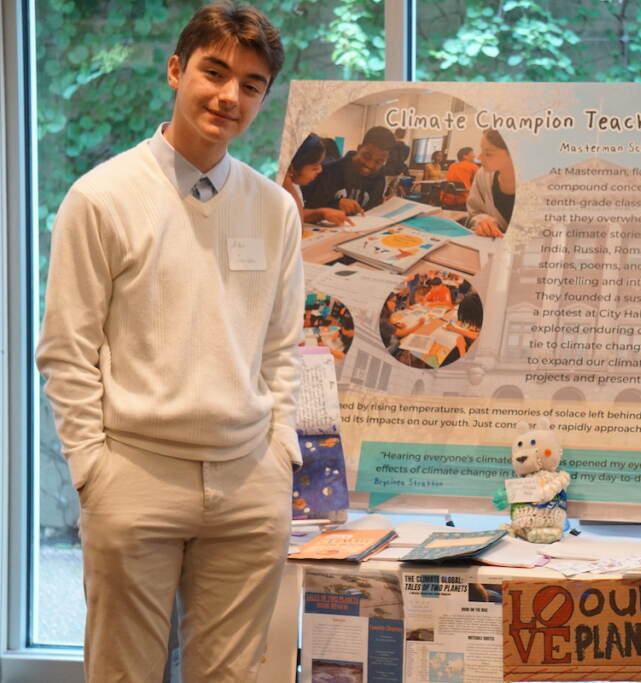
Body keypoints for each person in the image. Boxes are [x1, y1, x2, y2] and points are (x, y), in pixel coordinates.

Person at [36, 5, 304, 682]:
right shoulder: (101, 198)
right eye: (215, 72)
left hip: (248, 483)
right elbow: (67, 350)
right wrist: (94, 471)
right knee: (123, 672)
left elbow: (280, 347)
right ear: (176, 70)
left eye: (251, 84)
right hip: (136, 476)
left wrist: (280, 454)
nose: (229, 96)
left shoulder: (275, 208)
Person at [302, 125, 395, 214]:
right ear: (359, 148)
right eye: (366, 156)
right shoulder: (329, 171)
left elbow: (374, 210)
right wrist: (336, 204)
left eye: (379, 162)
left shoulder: (379, 179)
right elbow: (310, 207)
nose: (369, 165)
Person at [281, 132, 353, 226]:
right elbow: (297, 222)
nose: (320, 170)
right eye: (314, 167)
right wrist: (285, 179)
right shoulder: (280, 190)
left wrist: (321, 213)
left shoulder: (295, 185)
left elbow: (300, 213)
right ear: (291, 169)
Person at [467, 129, 515, 237]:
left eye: (488, 154)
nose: (479, 158)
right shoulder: (483, 175)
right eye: (481, 151)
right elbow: (475, 212)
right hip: (492, 246)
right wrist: (482, 222)